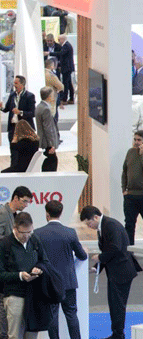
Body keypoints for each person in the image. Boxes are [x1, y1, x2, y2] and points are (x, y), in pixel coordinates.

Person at [80, 206, 140, 339]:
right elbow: (109, 249)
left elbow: (115, 248)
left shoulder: (110, 225)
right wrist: (97, 267)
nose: (89, 226)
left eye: (89, 223)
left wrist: (100, 258)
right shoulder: (104, 226)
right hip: (116, 271)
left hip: (121, 272)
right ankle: (117, 333)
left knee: (117, 305)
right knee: (114, 304)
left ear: (95, 217)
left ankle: (119, 335)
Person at [33, 200, 87, 339]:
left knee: (52, 314)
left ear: (47, 214)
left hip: (48, 282)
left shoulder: (38, 233)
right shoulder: (70, 232)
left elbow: (35, 257)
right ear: (61, 213)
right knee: (71, 314)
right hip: (68, 282)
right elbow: (82, 255)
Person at [0, 212, 47, 339]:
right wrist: (20, 276)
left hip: (34, 296)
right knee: (15, 335)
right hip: (14, 296)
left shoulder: (35, 240)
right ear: (15, 229)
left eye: (30, 232)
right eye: (23, 233)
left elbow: (45, 261)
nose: (27, 236)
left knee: (32, 335)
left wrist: (38, 268)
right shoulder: (3, 245)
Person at [0, 186, 33, 339]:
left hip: (11, 261)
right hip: (4, 262)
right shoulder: (2, 214)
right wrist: (13, 243)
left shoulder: (15, 215)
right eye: (24, 201)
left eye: (28, 202)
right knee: (3, 299)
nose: (26, 205)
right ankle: (2, 334)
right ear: (15, 198)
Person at [1, 75, 36, 164]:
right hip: (13, 128)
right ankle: (13, 169)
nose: (14, 85)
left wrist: (20, 112)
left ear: (22, 84)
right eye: (14, 83)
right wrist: (2, 108)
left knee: (24, 153)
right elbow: (7, 109)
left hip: (24, 129)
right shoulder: (12, 95)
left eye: (16, 83)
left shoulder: (30, 96)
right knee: (13, 152)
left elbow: (33, 113)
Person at [123, 130, 143, 245]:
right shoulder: (130, 152)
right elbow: (124, 171)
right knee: (129, 224)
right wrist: (124, 189)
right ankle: (129, 251)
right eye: (135, 139)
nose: (136, 142)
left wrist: (141, 155)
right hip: (130, 196)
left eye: (139, 140)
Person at [35, 87, 59, 172]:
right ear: (49, 96)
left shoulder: (39, 106)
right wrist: (52, 145)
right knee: (51, 165)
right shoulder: (46, 109)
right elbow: (48, 128)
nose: (53, 97)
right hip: (48, 144)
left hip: (44, 142)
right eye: (52, 95)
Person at [48, 35, 75, 105]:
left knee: (65, 84)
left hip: (67, 68)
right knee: (69, 83)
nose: (58, 41)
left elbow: (60, 53)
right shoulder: (67, 45)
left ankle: (64, 99)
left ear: (62, 39)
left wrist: (49, 53)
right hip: (67, 68)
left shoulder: (66, 46)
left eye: (59, 39)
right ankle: (71, 98)